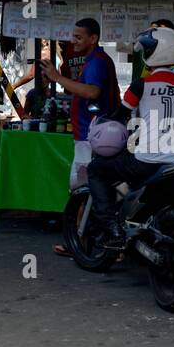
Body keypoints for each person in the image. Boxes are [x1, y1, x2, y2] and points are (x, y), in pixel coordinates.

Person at [87, 26, 174, 249]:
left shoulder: (142, 84)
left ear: (154, 53)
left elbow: (121, 116)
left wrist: (103, 121)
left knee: (97, 169)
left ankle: (111, 228)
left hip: (150, 160)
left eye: (147, 49)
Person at [43, 19, 121, 255]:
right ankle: (81, 241)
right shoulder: (95, 61)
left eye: (78, 37)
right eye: (73, 36)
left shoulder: (97, 62)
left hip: (93, 138)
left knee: (83, 190)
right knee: (85, 190)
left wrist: (57, 78)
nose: (73, 41)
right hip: (91, 135)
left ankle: (82, 243)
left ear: (93, 39)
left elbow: (92, 92)